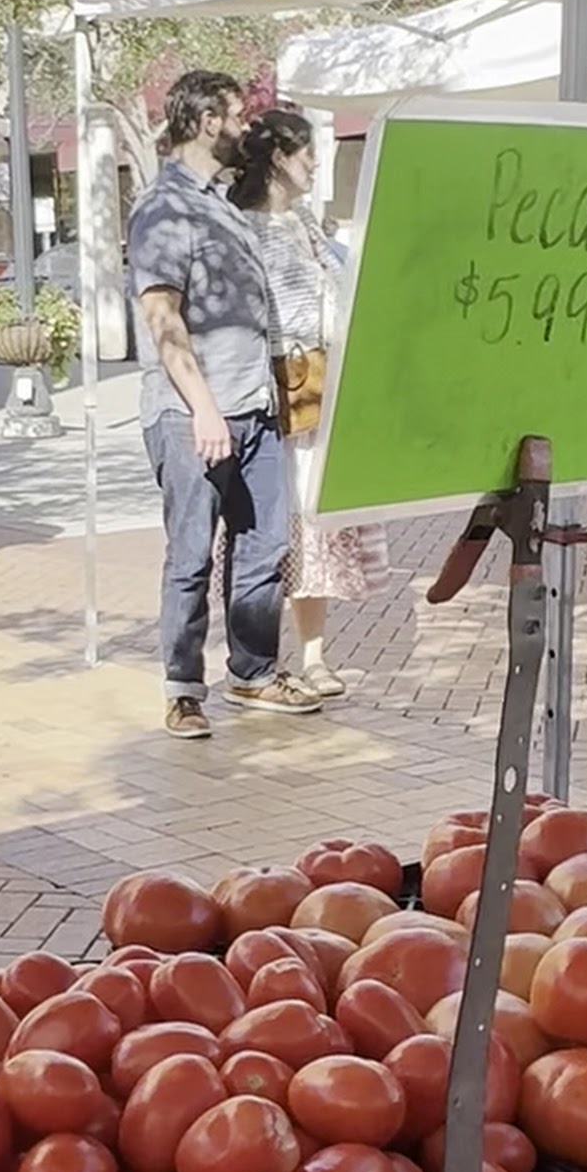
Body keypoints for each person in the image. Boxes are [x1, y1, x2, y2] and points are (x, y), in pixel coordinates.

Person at [129, 70, 317, 738]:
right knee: (190, 556)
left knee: (264, 544)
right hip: (192, 414)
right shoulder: (164, 209)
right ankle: (184, 690)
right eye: (238, 116)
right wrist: (205, 409)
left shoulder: (221, 203)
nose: (246, 128)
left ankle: (254, 671)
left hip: (256, 405)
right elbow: (163, 318)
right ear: (208, 119)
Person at [230, 108, 387, 695]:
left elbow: (339, 292)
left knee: (312, 525)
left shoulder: (303, 225)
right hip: (272, 389)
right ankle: (262, 658)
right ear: (279, 158)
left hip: (317, 387)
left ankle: (313, 653)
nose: (316, 164)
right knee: (277, 527)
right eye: (306, 153)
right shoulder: (243, 226)